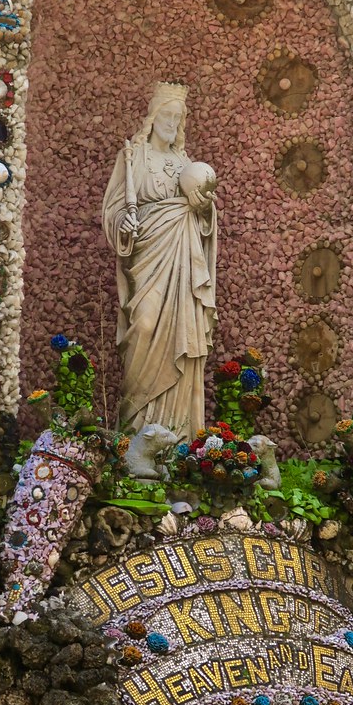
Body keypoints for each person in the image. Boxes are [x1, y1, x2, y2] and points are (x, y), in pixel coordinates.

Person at [102, 81, 217, 438]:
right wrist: (124, 223)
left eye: (178, 117)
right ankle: (135, 427)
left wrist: (204, 210)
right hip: (148, 260)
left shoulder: (185, 163)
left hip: (182, 263)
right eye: (167, 115)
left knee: (183, 334)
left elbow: (204, 217)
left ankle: (179, 433)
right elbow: (112, 209)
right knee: (145, 324)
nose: (172, 123)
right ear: (153, 117)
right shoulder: (133, 157)